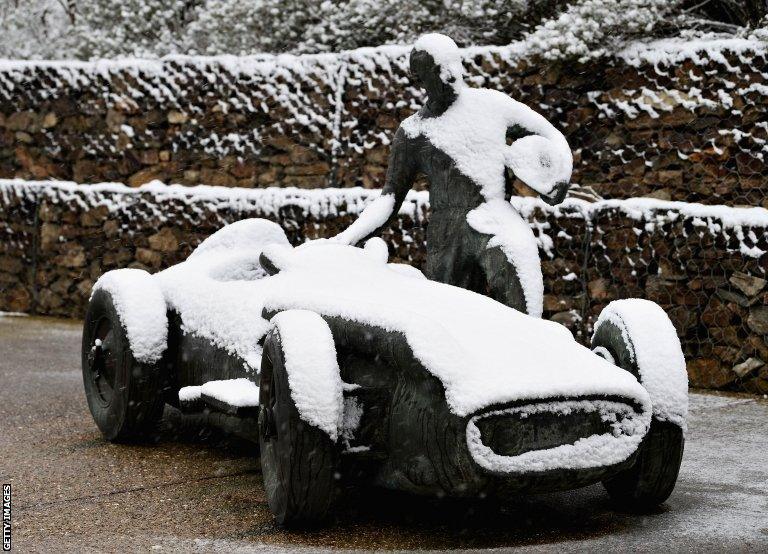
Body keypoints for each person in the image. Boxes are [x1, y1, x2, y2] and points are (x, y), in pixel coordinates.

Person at [334, 33, 572, 317]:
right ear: (419, 79)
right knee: (450, 319)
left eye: (453, 65)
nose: (450, 74)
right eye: (437, 70)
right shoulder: (412, 133)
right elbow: (389, 198)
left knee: (520, 289)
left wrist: (557, 179)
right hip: (445, 233)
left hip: (493, 215)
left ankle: (525, 355)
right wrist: (346, 239)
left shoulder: (492, 105)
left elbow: (551, 135)